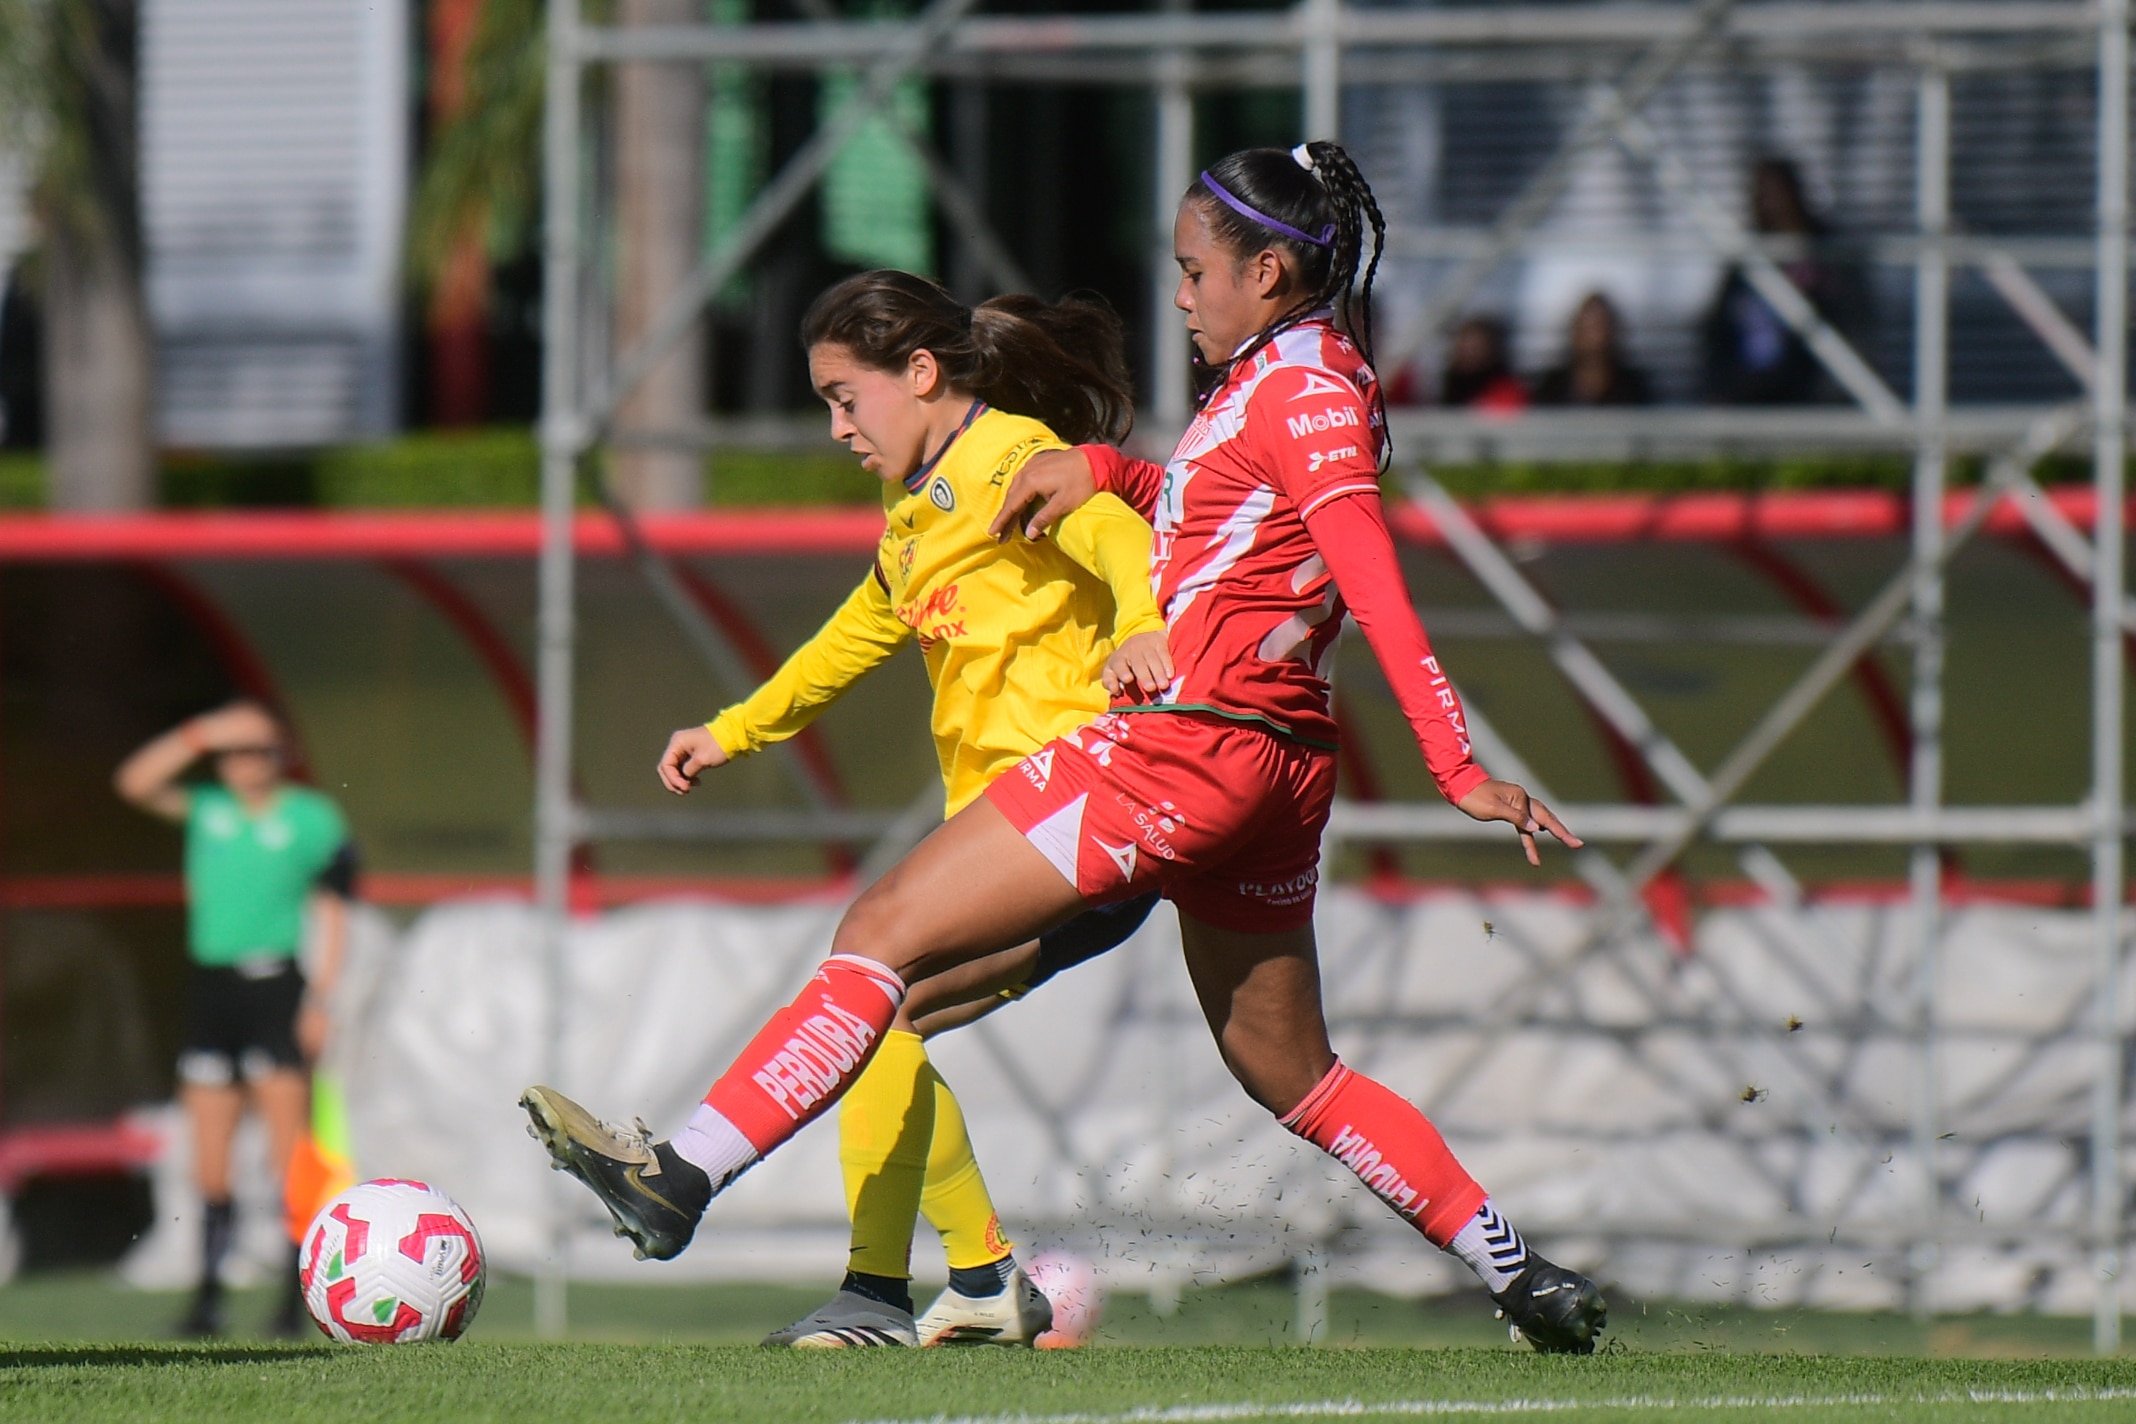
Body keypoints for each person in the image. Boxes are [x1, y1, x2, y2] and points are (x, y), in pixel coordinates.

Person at [524, 141, 1608, 1354]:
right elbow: (1212, 516)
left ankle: (683, 1178)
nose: (1183, 295)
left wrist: (1457, 764)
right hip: (1276, 770)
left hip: (1187, 746)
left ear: (1271, 268)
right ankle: (1520, 1274)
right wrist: (1101, 464)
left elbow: (1370, 573)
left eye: (1197, 272)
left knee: (874, 935)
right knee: (1286, 1065)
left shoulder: (1297, 394)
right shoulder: (1286, 378)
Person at [642, 271, 1166, 1348]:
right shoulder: (915, 503)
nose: (836, 425)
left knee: (867, 997)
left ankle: (915, 1285)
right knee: (869, 1013)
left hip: (1077, 816)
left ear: (921, 374)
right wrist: (733, 726)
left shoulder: (1009, 455)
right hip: (1006, 831)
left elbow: (1114, 528)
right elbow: (860, 627)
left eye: (846, 396)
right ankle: (939, 1284)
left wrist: (1141, 622)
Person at [115, 701, 355, 1337]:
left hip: (275, 985)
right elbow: (133, 782)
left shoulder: (310, 817)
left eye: (256, 749)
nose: (244, 762)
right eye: (233, 751)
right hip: (212, 990)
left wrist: (322, 1000)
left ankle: (293, 1296)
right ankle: (207, 1297)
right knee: (210, 1157)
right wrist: (201, 731)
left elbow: (336, 909)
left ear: (280, 752)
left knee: (288, 1150)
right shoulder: (208, 809)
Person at [1701, 157, 1859, 405]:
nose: (1771, 202)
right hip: (1748, 383)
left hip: (1802, 384)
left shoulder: (1824, 254)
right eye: (1764, 193)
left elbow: (1845, 318)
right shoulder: (1746, 257)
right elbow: (1719, 325)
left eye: (1778, 192)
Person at [1531, 292, 1651, 407]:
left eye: (1599, 325)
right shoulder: (1552, 386)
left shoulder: (1632, 386)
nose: (1594, 337)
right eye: (1587, 327)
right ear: (1575, 331)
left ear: (1613, 331)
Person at [1440, 314, 1528, 413]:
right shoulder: (1448, 386)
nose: (1469, 353)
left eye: (1476, 348)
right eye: (1465, 347)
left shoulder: (1506, 389)